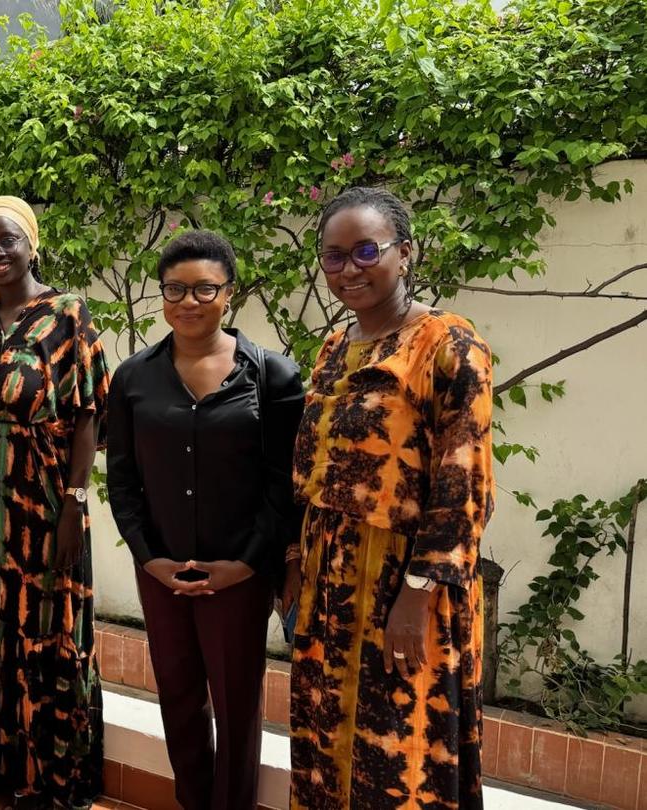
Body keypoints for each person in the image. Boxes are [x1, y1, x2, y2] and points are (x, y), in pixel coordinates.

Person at [289, 187, 495, 808]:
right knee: (326, 736)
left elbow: (465, 481)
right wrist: (297, 563)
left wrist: (419, 591)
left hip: (407, 579)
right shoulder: (333, 346)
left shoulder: (446, 344)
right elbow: (311, 464)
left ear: (404, 254)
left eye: (366, 251)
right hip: (330, 573)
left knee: (402, 744)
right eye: (333, 256)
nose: (348, 269)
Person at [107, 229, 304, 809]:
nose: (188, 302)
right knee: (178, 698)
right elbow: (123, 480)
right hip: (162, 571)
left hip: (239, 577)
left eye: (204, 289)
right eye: (174, 288)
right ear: (161, 294)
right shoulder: (134, 378)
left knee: (238, 705)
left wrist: (246, 565)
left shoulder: (274, 377)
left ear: (229, 294)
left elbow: (283, 486)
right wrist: (150, 557)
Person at [0, 196, 109, 809]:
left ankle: (48, 780)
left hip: (42, 504)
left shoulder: (66, 312)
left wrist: (74, 504)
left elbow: (89, 413)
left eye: (7, 241)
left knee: (46, 629)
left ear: (32, 243)